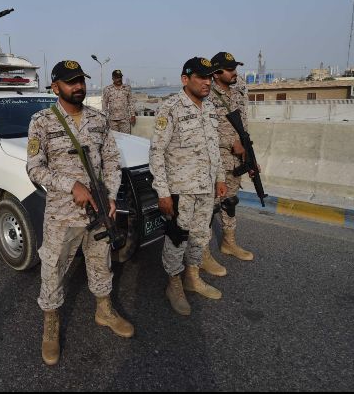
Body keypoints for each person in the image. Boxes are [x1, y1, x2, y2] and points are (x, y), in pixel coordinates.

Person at [27, 60, 134, 366]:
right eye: (71, 81)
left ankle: (104, 309)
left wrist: (111, 196)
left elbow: (112, 160)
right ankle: (51, 324)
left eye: (81, 81)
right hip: (62, 214)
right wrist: (69, 184)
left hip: (99, 211)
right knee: (53, 267)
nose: (79, 86)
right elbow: (34, 168)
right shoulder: (42, 121)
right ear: (55, 86)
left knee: (101, 262)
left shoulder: (99, 119)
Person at [149, 57, 228, 316]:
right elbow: (156, 153)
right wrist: (162, 192)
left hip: (205, 187)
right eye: (202, 77)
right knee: (177, 238)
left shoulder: (209, 107)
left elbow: (213, 147)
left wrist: (220, 178)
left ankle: (192, 278)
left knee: (200, 236)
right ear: (186, 79)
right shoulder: (170, 108)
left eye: (210, 77)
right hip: (180, 190)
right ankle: (174, 284)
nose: (208, 82)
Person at [208, 51, 255, 262]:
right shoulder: (207, 95)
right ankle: (202, 254)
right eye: (230, 69)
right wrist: (229, 143)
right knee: (208, 208)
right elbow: (203, 132)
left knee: (230, 202)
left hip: (236, 161)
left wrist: (251, 158)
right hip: (214, 162)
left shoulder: (237, 94)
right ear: (216, 73)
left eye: (235, 68)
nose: (235, 72)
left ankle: (229, 243)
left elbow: (243, 129)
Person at [101, 69, 136, 134]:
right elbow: (104, 104)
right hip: (112, 120)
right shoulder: (107, 89)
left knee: (126, 139)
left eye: (120, 77)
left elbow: (131, 102)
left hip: (125, 119)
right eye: (117, 78)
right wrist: (105, 118)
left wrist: (133, 115)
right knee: (114, 140)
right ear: (113, 78)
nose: (119, 79)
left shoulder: (127, 88)